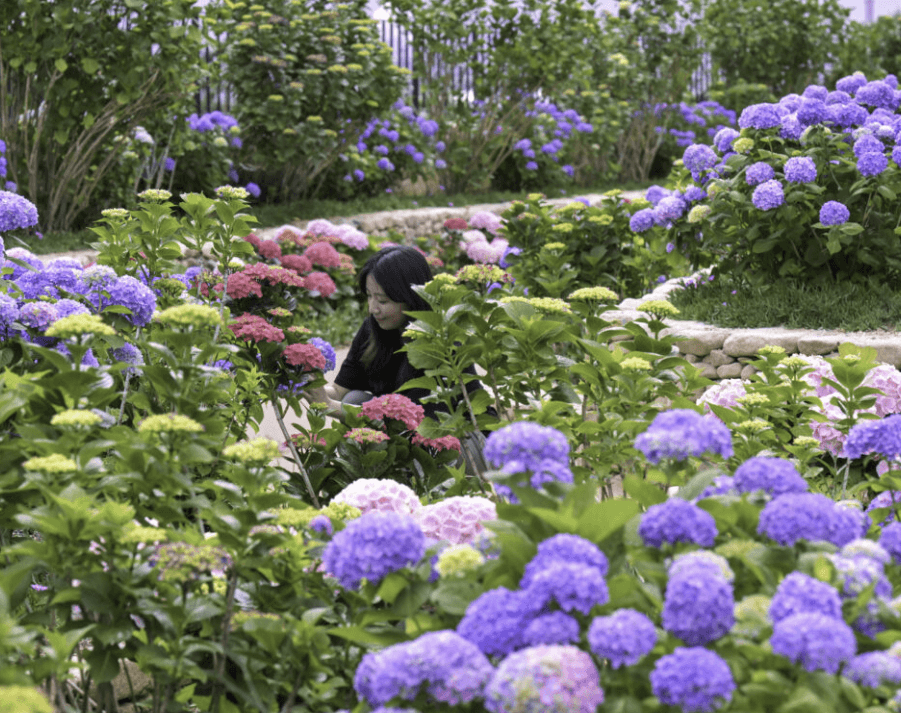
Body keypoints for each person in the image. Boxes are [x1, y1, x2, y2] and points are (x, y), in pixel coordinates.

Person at [302, 245, 489, 423]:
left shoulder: (439, 345)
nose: (373, 308)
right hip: (400, 428)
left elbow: (407, 422)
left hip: (450, 433)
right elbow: (338, 391)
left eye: (382, 301)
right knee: (354, 399)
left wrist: (329, 406)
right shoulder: (372, 330)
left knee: (354, 405)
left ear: (411, 298)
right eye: (369, 296)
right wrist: (306, 386)